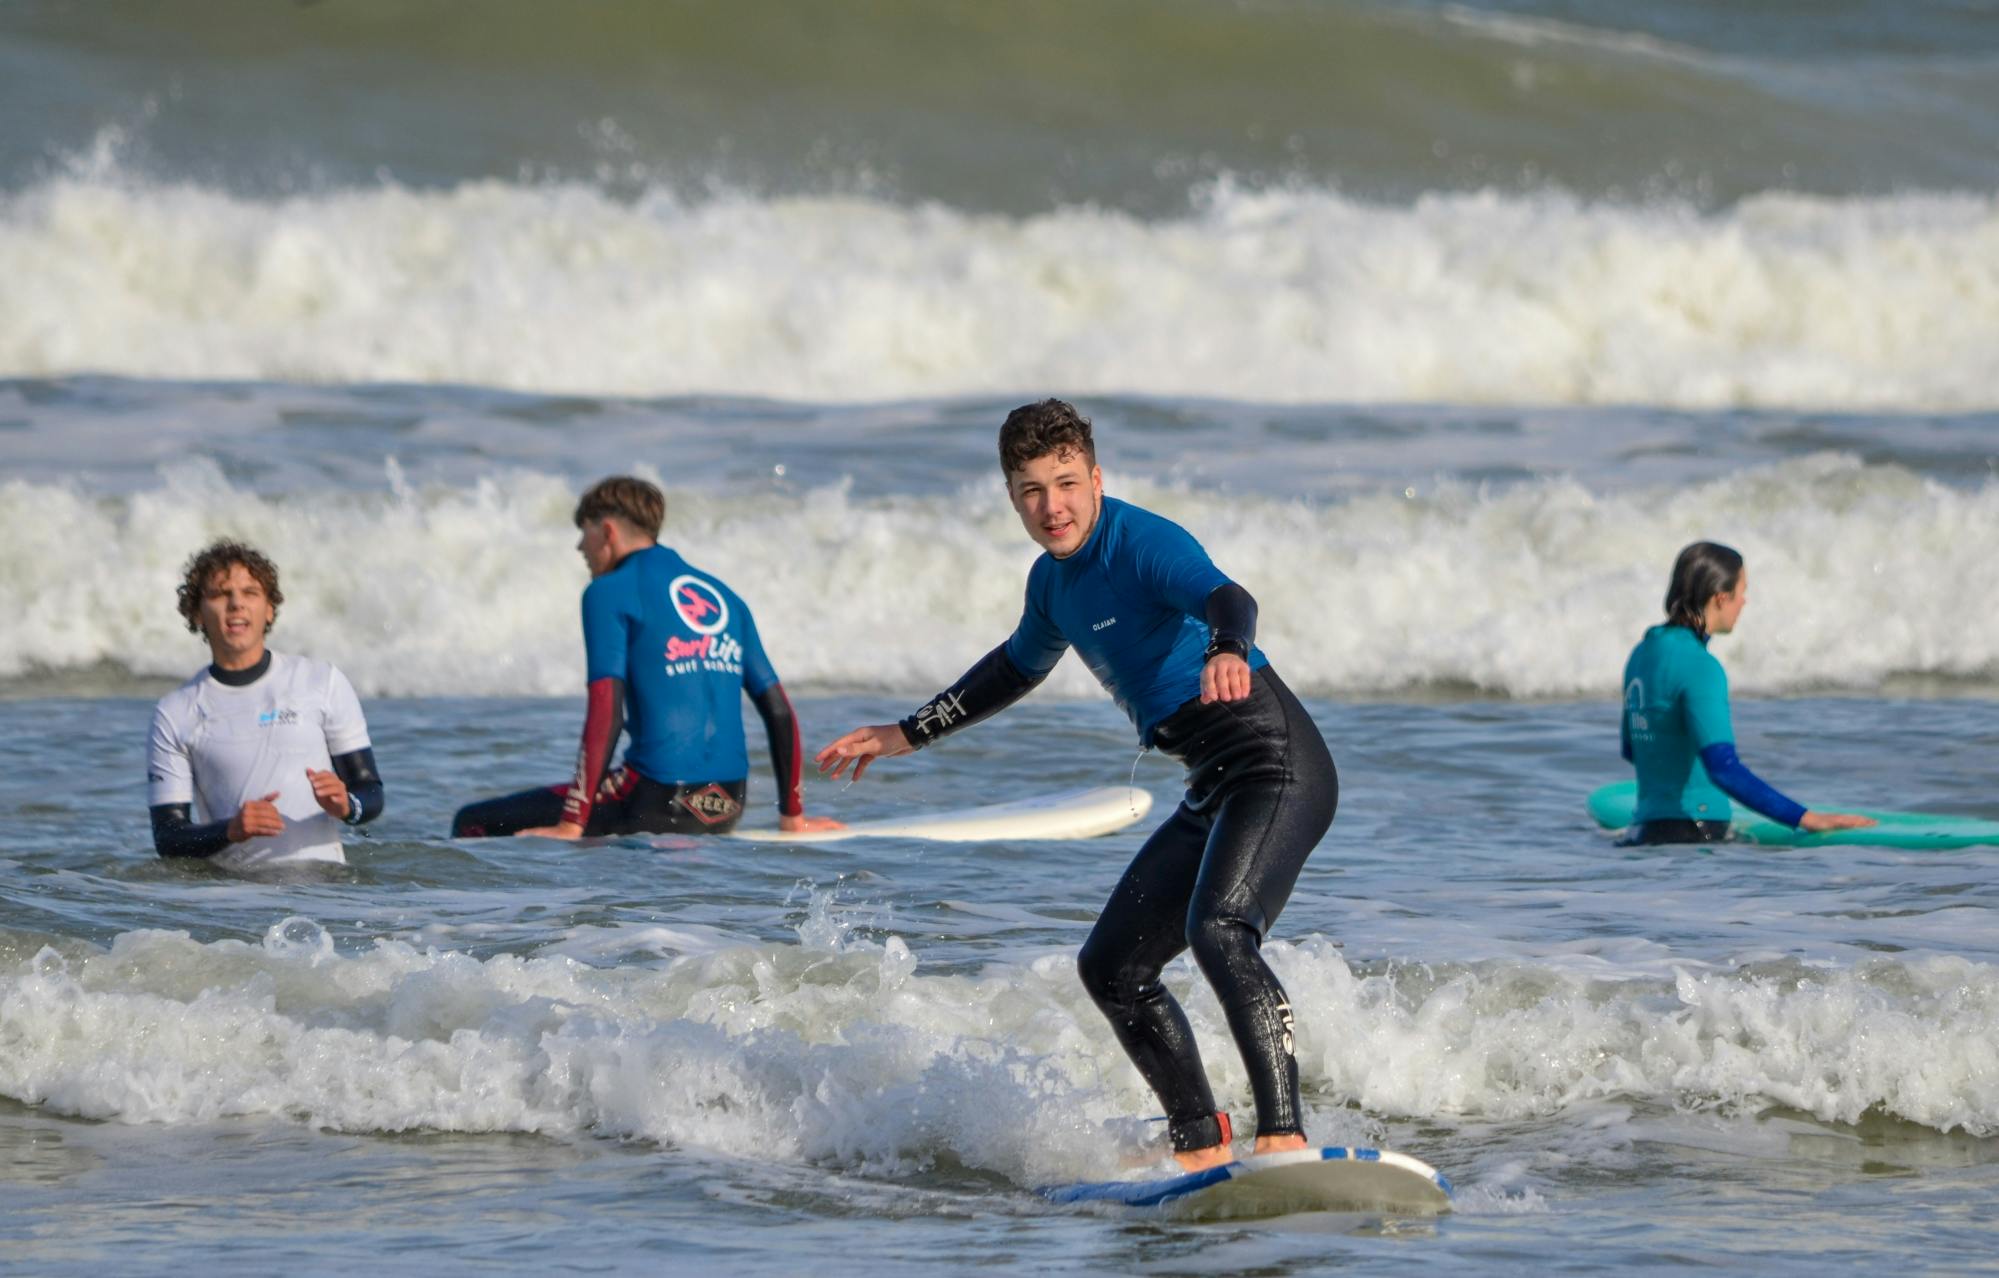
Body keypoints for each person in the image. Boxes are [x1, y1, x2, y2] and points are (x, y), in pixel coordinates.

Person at [816, 400, 1336, 1172]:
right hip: (1212, 785)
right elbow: (1012, 669)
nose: (1050, 506)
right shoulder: (1051, 584)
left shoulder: (1141, 542)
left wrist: (1229, 647)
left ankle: (1284, 1135)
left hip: (1274, 765)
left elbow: (1230, 597)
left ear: (1095, 477)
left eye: (1064, 483)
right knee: (1112, 969)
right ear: (1010, 496)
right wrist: (906, 732)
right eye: (1029, 490)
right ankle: (1198, 1139)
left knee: (1218, 930)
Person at [451, 476, 840, 840]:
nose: (579, 548)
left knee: (473, 823)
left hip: (653, 799)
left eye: (582, 533)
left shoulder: (609, 591)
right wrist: (793, 818)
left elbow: (607, 711)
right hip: (726, 804)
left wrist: (571, 822)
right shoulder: (726, 597)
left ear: (607, 531)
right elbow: (779, 710)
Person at [147, 541, 384, 868]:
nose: (236, 605)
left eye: (250, 592)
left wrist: (347, 805)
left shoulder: (321, 681)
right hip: (236, 899)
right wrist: (231, 830)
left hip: (327, 895)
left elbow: (370, 792)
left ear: (270, 608)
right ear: (196, 613)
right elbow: (168, 838)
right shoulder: (176, 712)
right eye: (219, 594)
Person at [1619, 541, 1875, 845]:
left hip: (1641, 833)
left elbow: (1631, 748)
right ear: (1720, 598)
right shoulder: (1702, 667)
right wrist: (1806, 818)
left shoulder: (1641, 654)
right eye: (1742, 592)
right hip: (1694, 838)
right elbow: (1723, 768)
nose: (1745, 602)